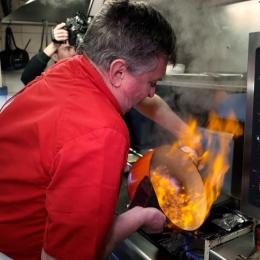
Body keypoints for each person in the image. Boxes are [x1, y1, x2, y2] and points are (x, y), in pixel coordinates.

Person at [0, 0, 200, 259]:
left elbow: (146, 100)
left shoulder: (72, 69)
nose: (152, 92)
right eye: (152, 82)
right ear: (118, 71)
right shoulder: (102, 131)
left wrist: (188, 134)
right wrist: (139, 217)